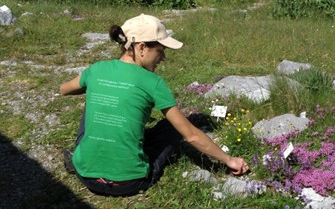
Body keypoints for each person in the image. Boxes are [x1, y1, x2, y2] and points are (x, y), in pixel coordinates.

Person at [59, 14, 249, 196]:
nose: (163, 57)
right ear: (142, 48)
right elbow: (190, 135)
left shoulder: (97, 69)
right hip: (129, 183)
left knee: (94, 104)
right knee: (173, 128)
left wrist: (99, 88)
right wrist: (229, 160)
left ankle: (84, 156)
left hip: (85, 175)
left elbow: (64, 89)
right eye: (161, 50)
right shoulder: (154, 83)